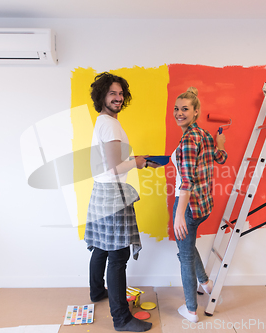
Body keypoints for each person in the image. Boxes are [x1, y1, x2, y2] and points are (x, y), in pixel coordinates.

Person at [84, 72, 155, 332]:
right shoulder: (111, 124)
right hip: (112, 193)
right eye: (112, 93)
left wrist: (136, 161)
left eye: (120, 93)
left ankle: (96, 292)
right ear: (102, 96)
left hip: (101, 191)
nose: (118, 97)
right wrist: (137, 162)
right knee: (117, 255)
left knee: (102, 248)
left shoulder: (103, 122)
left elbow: (109, 163)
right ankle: (121, 319)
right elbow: (115, 166)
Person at [171, 87, 227, 323]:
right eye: (176, 108)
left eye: (185, 109)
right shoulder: (203, 134)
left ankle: (191, 310)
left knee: (184, 255)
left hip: (189, 205)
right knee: (188, 246)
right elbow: (220, 157)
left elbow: (186, 181)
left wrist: (179, 215)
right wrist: (221, 142)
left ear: (196, 112)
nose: (179, 113)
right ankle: (205, 282)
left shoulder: (187, 141)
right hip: (204, 205)